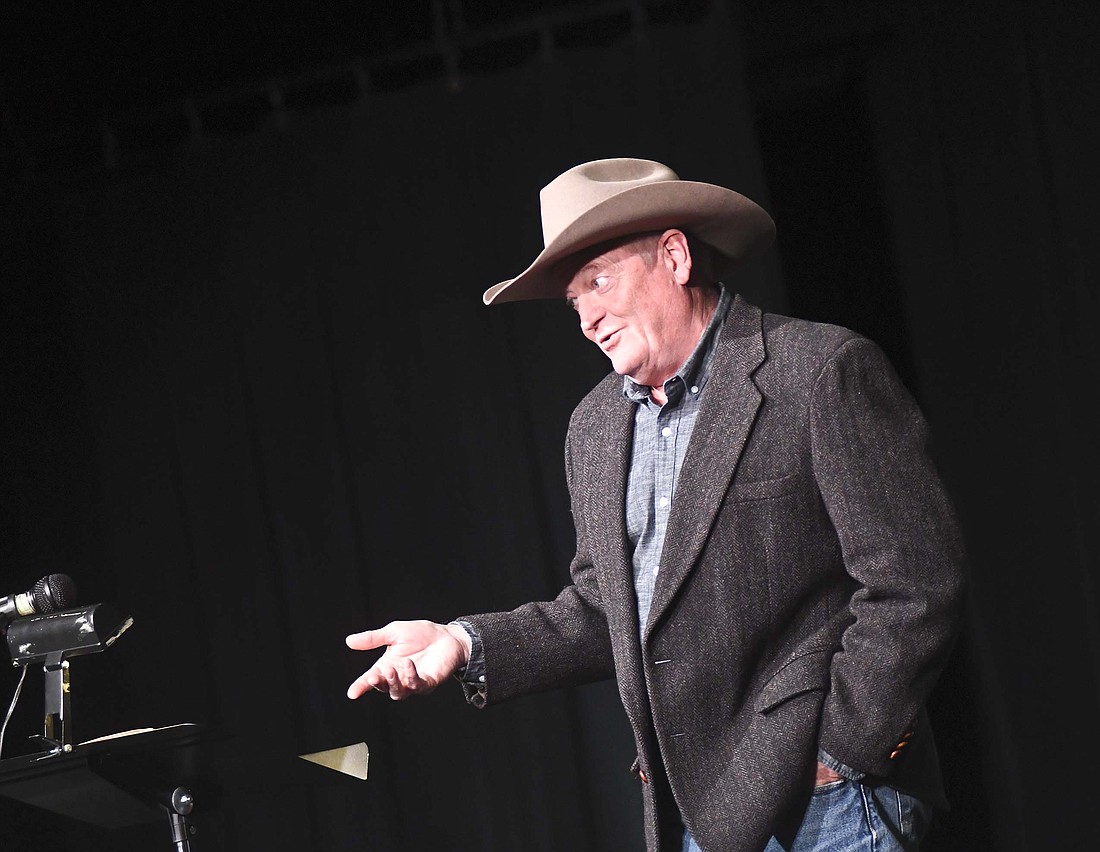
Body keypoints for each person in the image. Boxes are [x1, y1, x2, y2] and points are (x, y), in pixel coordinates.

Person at [345, 158, 966, 852]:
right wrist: (461, 643)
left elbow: (915, 580)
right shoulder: (595, 428)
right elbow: (603, 610)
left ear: (673, 256)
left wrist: (846, 749)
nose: (587, 318)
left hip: (828, 805)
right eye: (574, 300)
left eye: (599, 282)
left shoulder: (817, 372)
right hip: (690, 816)